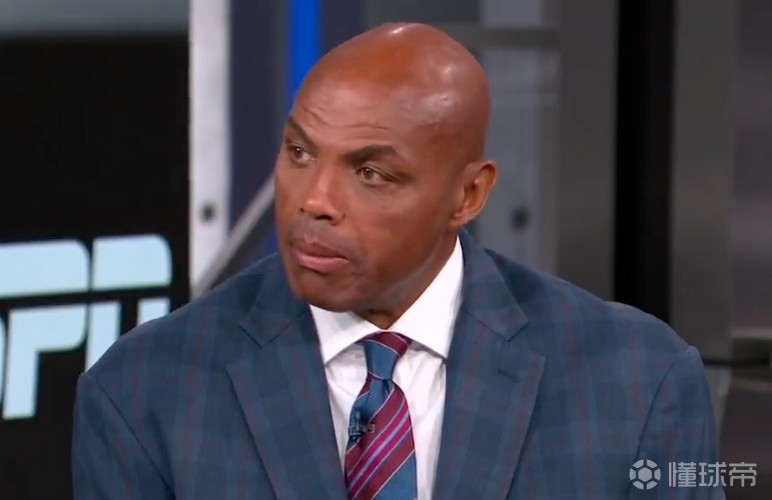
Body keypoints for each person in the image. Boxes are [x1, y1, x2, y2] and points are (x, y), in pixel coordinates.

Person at [72, 23, 723, 499]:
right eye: (300, 153)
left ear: (468, 195)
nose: (314, 201)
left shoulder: (636, 381)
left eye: (371, 173)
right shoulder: (145, 392)